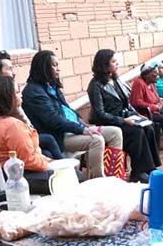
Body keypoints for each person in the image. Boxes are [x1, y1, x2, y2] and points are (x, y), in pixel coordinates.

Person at [22, 49, 123, 179]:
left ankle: (114, 176)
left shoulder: (52, 86)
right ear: (43, 68)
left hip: (72, 128)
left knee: (115, 133)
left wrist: (82, 124)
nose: (58, 69)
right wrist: (82, 129)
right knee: (96, 140)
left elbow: (66, 110)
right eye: (54, 65)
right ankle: (100, 180)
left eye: (58, 65)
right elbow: (53, 120)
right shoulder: (33, 92)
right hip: (58, 135)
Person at [0, 75, 73, 195]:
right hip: (13, 180)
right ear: (7, 98)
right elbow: (28, 160)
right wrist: (51, 165)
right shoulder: (12, 125)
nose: (21, 95)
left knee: (53, 160)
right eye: (17, 92)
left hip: (2, 176)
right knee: (73, 176)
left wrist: (48, 160)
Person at [0, 50, 62, 159]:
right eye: (10, 68)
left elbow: (24, 120)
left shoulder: (5, 91)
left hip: (12, 140)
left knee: (46, 151)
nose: (14, 73)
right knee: (48, 141)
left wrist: (30, 132)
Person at [87, 50, 162, 183]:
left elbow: (127, 103)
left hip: (125, 117)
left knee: (150, 127)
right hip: (110, 122)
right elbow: (100, 113)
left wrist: (138, 116)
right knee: (136, 133)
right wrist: (123, 120)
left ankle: (151, 168)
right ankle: (138, 172)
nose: (117, 64)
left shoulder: (116, 80)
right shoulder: (95, 85)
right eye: (114, 62)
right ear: (104, 64)